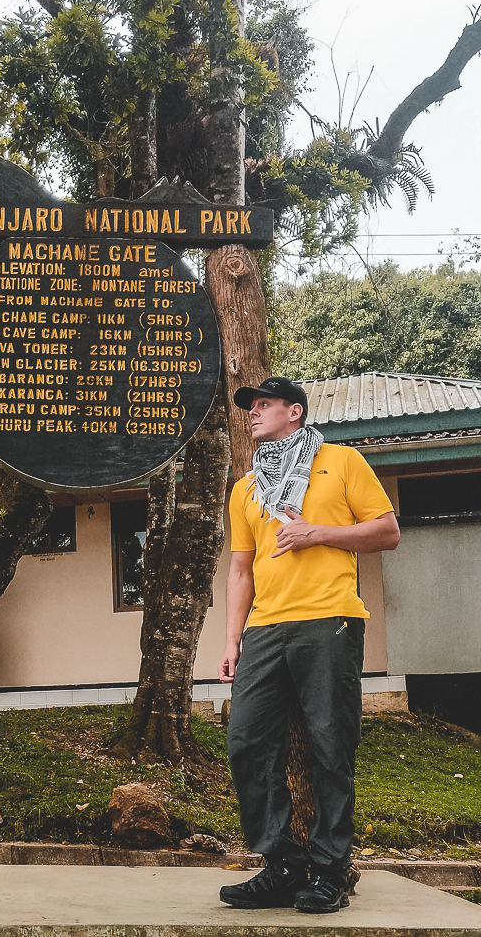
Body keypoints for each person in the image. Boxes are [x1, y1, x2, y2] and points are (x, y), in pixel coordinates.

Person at [218, 376, 399, 914]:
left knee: (330, 747)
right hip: (265, 630)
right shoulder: (247, 488)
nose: (253, 413)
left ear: (294, 412)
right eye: (250, 406)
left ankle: (330, 870)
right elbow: (240, 568)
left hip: (330, 621)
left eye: (265, 404)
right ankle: (282, 863)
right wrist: (232, 638)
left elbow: (387, 531)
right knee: (246, 740)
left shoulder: (341, 461)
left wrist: (318, 533)